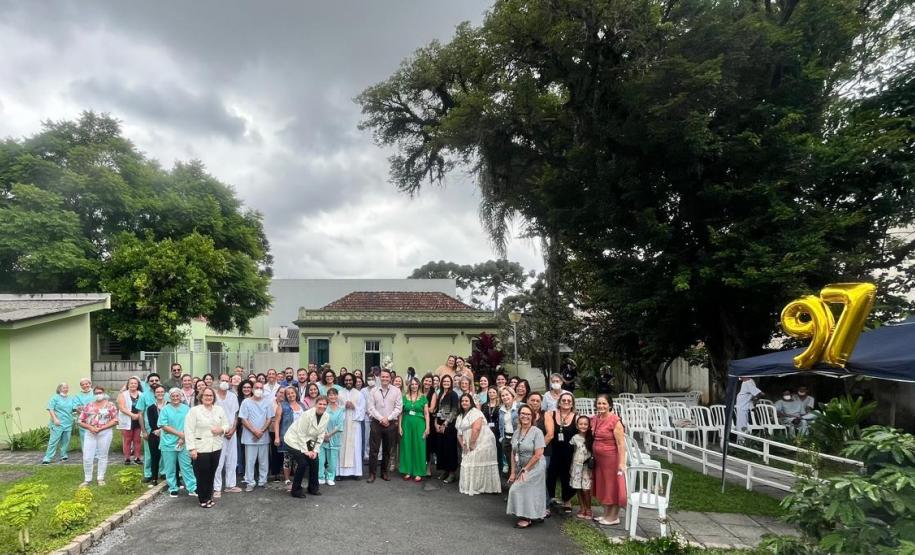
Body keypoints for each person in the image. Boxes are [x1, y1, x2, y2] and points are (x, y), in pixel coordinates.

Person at [185, 387, 229, 508]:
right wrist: (192, 448)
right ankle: (202, 499)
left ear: (214, 397)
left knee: (211, 473)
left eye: (211, 395)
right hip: (200, 447)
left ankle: (209, 496)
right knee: (202, 473)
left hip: (216, 447)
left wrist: (221, 429)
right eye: (206, 395)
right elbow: (188, 430)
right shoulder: (194, 411)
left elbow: (226, 424)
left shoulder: (219, 410)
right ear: (201, 397)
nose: (208, 397)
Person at [506, 404, 547, 528]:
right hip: (522, 465)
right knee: (529, 491)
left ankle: (526, 517)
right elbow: (513, 454)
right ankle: (536, 514)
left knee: (519, 488)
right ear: (519, 415)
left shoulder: (537, 432)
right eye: (523, 413)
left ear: (532, 417)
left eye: (528, 414)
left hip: (535, 465)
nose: (525, 416)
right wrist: (513, 473)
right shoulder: (517, 432)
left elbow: (539, 453)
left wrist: (526, 469)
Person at [591, 394, 626, 526]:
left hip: (611, 459)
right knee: (603, 486)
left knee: (612, 487)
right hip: (599, 460)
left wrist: (621, 463)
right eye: (599, 403)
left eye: (604, 403)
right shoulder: (595, 419)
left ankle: (614, 516)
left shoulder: (615, 421)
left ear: (610, 405)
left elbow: (621, 444)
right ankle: (606, 514)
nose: (601, 406)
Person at [283, 397, 329, 498]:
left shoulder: (326, 416)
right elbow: (301, 434)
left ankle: (313, 488)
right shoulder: (307, 415)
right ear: (316, 404)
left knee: (315, 460)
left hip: (308, 440)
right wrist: (306, 451)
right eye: (320, 404)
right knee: (303, 463)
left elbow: (320, 435)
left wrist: (315, 451)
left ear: (327, 406)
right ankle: (296, 490)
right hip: (293, 439)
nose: (322, 406)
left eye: (324, 404)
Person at [456, 393, 501, 495]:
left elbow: (476, 429)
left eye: (466, 401)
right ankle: (474, 485)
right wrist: (463, 446)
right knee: (469, 461)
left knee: (477, 461)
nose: (464, 403)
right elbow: (458, 433)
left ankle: (485, 486)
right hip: (466, 442)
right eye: (462, 401)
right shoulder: (460, 415)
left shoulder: (476, 412)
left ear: (471, 402)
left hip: (482, 441)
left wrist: (472, 444)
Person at [159, 388, 197, 498]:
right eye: (173, 396)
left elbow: (190, 424)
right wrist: (180, 434)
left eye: (177, 396)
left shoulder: (187, 409)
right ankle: (173, 488)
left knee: (186, 466)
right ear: (169, 397)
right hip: (168, 442)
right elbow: (163, 425)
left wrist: (183, 438)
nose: (175, 398)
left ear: (181, 397)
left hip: (184, 442)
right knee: (170, 467)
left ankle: (192, 487)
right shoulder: (165, 409)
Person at [366, 369, 403, 482]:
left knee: (387, 450)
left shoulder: (396, 391)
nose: (385, 379)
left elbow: (399, 407)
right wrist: (381, 418)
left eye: (387, 377)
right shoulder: (373, 391)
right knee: (373, 450)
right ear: (379, 378)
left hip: (390, 423)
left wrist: (389, 418)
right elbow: (370, 407)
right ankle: (372, 474)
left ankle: (384, 473)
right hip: (377, 423)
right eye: (383, 377)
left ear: (390, 378)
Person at [77, 386, 119, 486]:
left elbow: (115, 420)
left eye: (100, 392)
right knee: (87, 456)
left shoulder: (110, 405)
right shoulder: (88, 405)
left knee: (103, 455)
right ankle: (87, 479)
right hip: (90, 433)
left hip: (105, 432)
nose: (98, 394)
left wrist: (102, 428)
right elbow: (80, 421)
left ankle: (100, 478)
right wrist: (90, 427)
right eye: (96, 393)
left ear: (104, 393)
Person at [239, 382, 275, 491]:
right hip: (250, 437)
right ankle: (250, 482)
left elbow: (269, 418)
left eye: (261, 388)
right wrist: (254, 431)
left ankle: (262, 481)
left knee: (264, 461)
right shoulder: (246, 402)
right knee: (250, 461)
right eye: (256, 388)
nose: (258, 389)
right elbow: (243, 419)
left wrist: (261, 431)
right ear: (252, 389)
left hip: (263, 437)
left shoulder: (267, 402)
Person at [547, 391, 577, 513]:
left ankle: (567, 500)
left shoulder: (576, 417)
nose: (566, 402)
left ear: (572, 404)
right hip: (553, 450)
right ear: (559, 402)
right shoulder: (551, 414)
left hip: (569, 451)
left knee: (567, 476)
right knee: (551, 475)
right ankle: (549, 498)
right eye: (563, 400)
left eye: (569, 401)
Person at [399, 377, 429, 482]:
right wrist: (399, 426)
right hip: (406, 423)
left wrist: (427, 427)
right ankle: (407, 471)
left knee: (419, 446)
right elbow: (401, 413)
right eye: (412, 384)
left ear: (419, 385)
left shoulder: (423, 397)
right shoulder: (404, 397)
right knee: (406, 446)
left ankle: (418, 472)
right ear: (409, 386)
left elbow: (426, 413)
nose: (414, 386)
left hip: (419, 424)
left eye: (416, 384)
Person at [336, 373, 365, 479]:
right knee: (341, 446)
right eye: (346, 380)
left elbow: (362, 409)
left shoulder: (359, 394)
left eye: (350, 380)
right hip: (342, 423)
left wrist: (354, 407)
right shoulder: (339, 393)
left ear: (353, 381)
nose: (348, 382)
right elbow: (336, 407)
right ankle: (340, 473)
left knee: (355, 447)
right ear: (343, 381)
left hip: (354, 423)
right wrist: (344, 406)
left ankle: (356, 473)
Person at [434, 374, 460, 483]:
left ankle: (452, 473)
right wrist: (436, 423)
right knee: (442, 448)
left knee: (450, 449)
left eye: (448, 382)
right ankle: (444, 470)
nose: (446, 383)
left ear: (451, 383)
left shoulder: (453, 394)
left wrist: (445, 423)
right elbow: (437, 410)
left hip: (449, 425)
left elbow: (454, 411)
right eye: (444, 381)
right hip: (440, 423)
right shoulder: (440, 393)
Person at [43, 382, 78, 464]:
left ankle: (63, 455)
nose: (66, 389)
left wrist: (78, 410)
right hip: (57, 423)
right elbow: (50, 409)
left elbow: (74, 409)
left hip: (68, 422)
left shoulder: (71, 398)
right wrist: (55, 419)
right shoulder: (55, 398)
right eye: (64, 387)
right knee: (53, 441)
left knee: (66, 441)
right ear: (59, 389)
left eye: (67, 387)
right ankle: (47, 458)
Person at [136, 373, 162, 483]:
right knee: (149, 453)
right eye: (152, 381)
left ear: (159, 381)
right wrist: (144, 431)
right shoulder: (143, 396)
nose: (154, 382)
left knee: (163, 452)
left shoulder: (164, 394)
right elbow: (140, 414)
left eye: (156, 380)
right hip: (149, 429)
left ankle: (162, 472)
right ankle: (148, 474)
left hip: (164, 429)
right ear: (148, 383)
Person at [318, 387, 345, 486]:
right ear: (327, 396)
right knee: (321, 459)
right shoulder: (324, 408)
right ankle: (320, 476)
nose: (332, 396)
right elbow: (320, 422)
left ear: (337, 396)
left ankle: (330, 477)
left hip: (334, 437)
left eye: (334, 394)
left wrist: (329, 435)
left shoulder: (341, 410)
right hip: (322, 437)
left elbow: (339, 425)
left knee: (332, 460)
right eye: (330, 395)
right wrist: (324, 434)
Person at [570, 415, 594, 520]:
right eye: (581, 424)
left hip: (586, 467)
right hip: (576, 466)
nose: (583, 426)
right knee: (578, 488)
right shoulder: (574, 438)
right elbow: (572, 451)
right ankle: (582, 507)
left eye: (585, 424)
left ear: (589, 426)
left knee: (586, 488)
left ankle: (588, 508)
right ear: (577, 425)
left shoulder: (591, 438)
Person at [143, 385, 167, 488]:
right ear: (155, 394)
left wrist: (162, 430)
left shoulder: (169, 406)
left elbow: (171, 421)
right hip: (155, 434)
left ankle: (172, 478)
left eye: (162, 391)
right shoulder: (151, 408)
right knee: (154, 457)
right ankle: (154, 478)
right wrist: (157, 430)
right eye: (158, 392)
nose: (160, 393)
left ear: (165, 393)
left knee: (169, 458)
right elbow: (152, 423)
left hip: (167, 434)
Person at [117, 377, 143, 465]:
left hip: (138, 419)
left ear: (138, 385)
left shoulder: (141, 394)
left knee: (137, 439)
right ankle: (127, 458)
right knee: (127, 439)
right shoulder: (123, 394)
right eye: (131, 383)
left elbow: (144, 407)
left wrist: (138, 416)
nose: (133, 385)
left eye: (135, 383)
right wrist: (132, 415)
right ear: (128, 384)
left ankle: (137, 458)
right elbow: (122, 407)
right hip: (127, 418)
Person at [481, 386, 503, 472]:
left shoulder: (500, 406)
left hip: (497, 433)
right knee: (487, 454)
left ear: (497, 394)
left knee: (498, 454)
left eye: (494, 392)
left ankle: (499, 474)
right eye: (490, 392)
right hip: (486, 433)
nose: (491, 394)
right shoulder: (484, 405)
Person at [498, 386, 519, 475]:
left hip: (517, 438)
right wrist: (502, 438)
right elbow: (501, 425)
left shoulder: (519, 406)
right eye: (502, 396)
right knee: (510, 463)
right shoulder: (501, 409)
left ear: (512, 395)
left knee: (518, 461)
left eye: (507, 394)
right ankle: (512, 482)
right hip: (506, 439)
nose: (505, 397)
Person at [421, 373, 439, 475]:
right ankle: (419, 466)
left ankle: (428, 468)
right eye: (426, 380)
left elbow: (431, 409)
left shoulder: (433, 394)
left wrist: (419, 408)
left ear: (432, 384)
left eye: (429, 381)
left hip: (429, 422)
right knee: (419, 443)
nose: (427, 382)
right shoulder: (418, 391)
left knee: (428, 446)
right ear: (423, 381)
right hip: (418, 421)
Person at [74, 378, 95, 448]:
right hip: (83, 417)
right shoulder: (78, 395)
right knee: (84, 435)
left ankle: (96, 453)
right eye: (82, 385)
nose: (85, 386)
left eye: (86, 384)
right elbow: (76, 406)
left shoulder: (95, 392)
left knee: (95, 434)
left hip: (95, 417)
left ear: (90, 384)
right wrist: (82, 412)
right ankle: (85, 452)